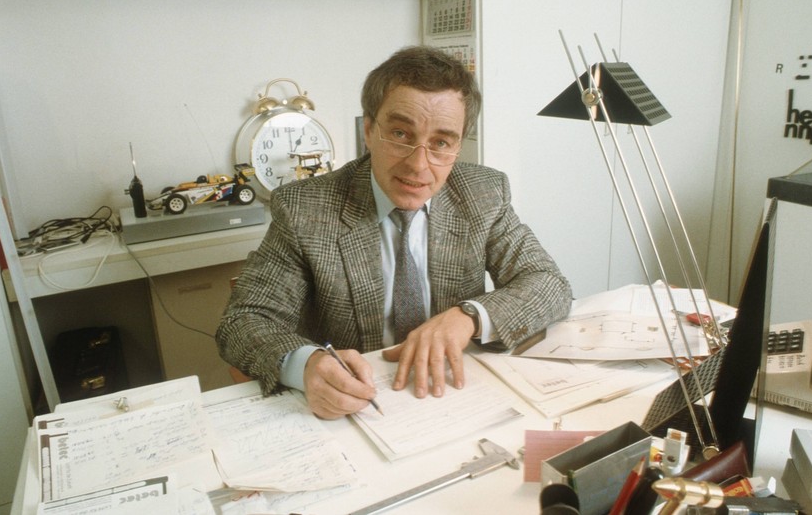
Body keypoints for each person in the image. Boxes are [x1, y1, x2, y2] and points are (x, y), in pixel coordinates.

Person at [217, 46, 572, 419]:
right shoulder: (304, 208)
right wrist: (307, 364)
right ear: (369, 131)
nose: (418, 165)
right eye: (401, 134)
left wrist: (467, 317)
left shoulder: (484, 193)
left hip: (456, 395)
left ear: (457, 146)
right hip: (357, 408)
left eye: (441, 143)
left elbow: (548, 283)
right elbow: (244, 320)